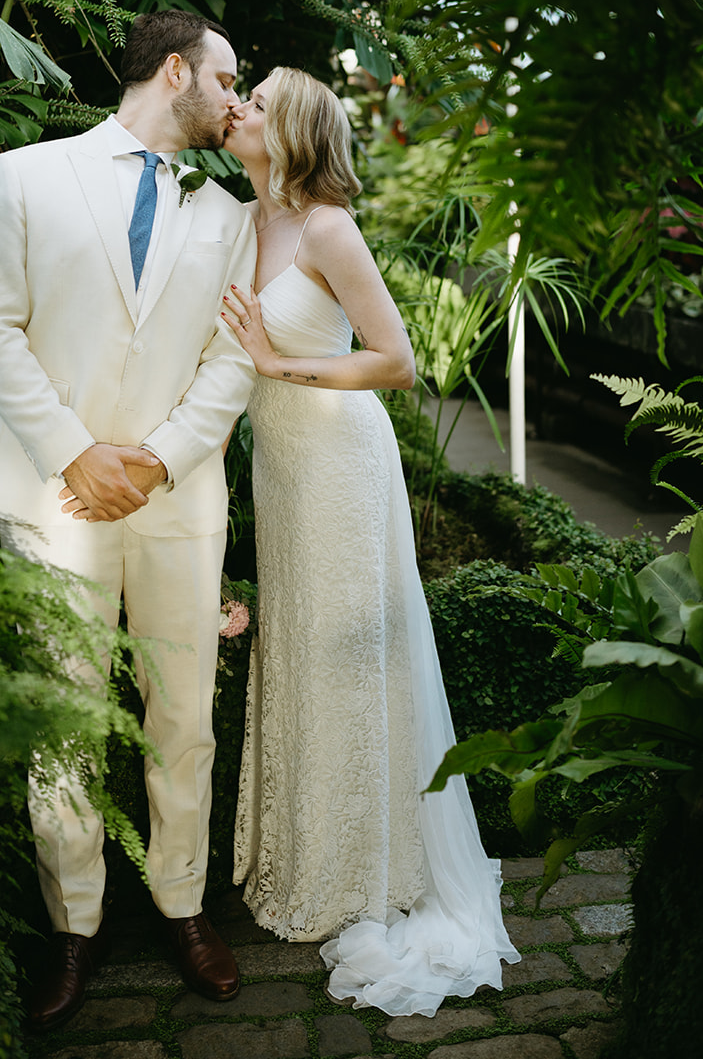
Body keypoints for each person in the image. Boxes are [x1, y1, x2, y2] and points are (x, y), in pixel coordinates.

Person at [0, 11, 257, 1033]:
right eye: (228, 79)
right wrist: (75, 454)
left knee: (182, 716)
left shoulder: (230, 216)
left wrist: (160, 458)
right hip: (55, 496)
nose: (236, 100)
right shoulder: (22, 176)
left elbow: (233, 359)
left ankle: (182, 905)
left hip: (178, 500)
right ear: (176, 71)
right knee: (62, 717)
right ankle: (73, 924)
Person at [220, 66, 519, 1018]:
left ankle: (362, 872)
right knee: (298, 650)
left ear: (292, 131)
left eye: (257, 101)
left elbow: (395, 362)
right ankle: (303, 856)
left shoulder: (326, 228)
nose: (239, 107)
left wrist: (276, 362)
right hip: (281, 470)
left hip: (341, 464)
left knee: (347, 657)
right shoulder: (240, 219)